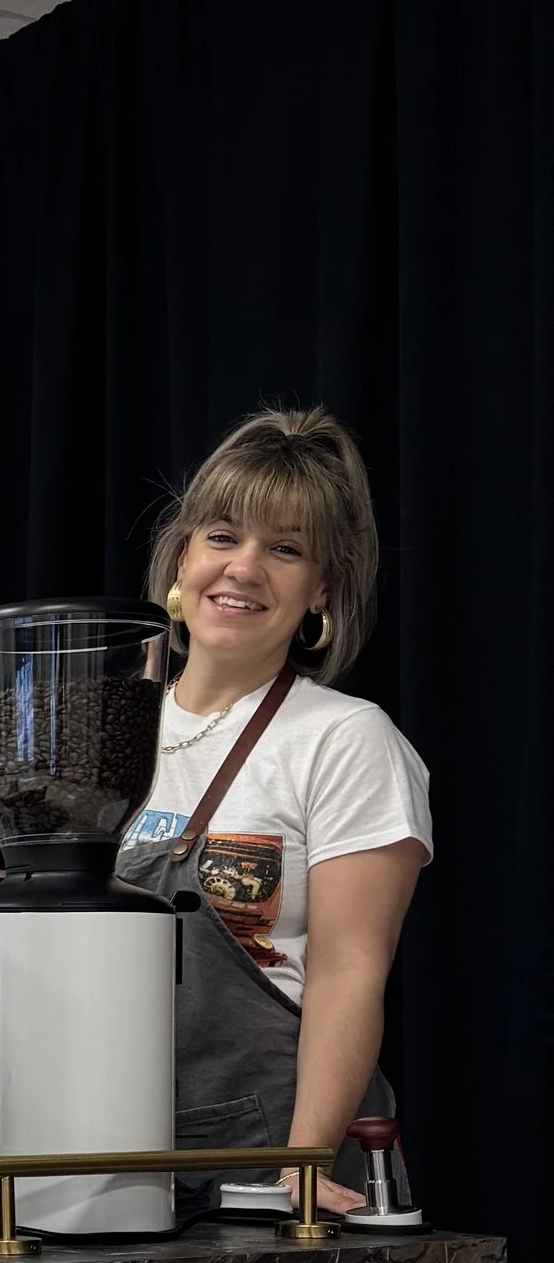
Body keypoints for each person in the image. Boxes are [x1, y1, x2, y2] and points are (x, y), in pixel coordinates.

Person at [117, 405, 430, 1213]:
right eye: (222, 536)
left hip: (270, 1167)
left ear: (321, 587)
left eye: (285, 549)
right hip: (108, 1151)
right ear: (182, 559)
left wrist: (303, 1161)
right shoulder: (106, 729)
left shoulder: (345, 740)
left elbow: (348, 970)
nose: (245, 567)